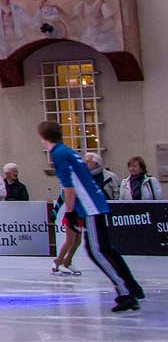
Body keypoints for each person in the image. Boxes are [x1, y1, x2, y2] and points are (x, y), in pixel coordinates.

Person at [41, 119, 144, 311]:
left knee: (97, 251)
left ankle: (125, 292)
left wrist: (70, 212)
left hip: (90, 206)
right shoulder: (68, 151)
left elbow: (69, 185)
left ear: (43, 138)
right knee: (106, 249)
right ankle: (131, 287)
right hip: (94, 203)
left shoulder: (59, 154)